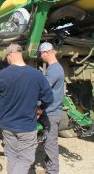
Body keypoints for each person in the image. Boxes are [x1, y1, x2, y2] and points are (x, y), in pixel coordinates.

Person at [0, 44, 53, 174]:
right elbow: (48, 97)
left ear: (10, 55)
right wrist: (41, 108)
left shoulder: (3, 75)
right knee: (26, 159)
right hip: (27, 126)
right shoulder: (37, 75)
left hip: (7, 126)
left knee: (12, 157)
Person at [37, 42, 65, 174]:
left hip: (51, 113)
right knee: (49, 142)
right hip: (54, 111)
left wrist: (39, 106)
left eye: (41, 54)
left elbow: (44, 91)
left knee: (50, 144)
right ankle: (49, 168)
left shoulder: (53, 70)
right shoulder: (57, 68)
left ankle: (53, 171)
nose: (40, 57)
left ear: (46, 53)